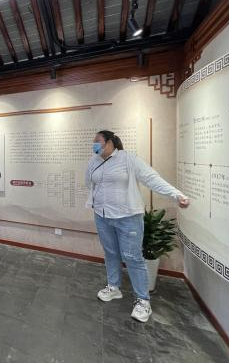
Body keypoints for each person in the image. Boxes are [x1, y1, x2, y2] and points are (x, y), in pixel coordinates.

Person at [85, 130, 190, 323]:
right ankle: (113, 287)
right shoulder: (93, 161)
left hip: (128, 217)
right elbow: (89, 183)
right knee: (111, 253)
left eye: (97, 141)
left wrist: (176, 195)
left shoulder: (128, 159)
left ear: (110, 142)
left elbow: (151, 178)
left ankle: (143, 300)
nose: (94, 144)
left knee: (133, 257)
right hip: (102, 215)